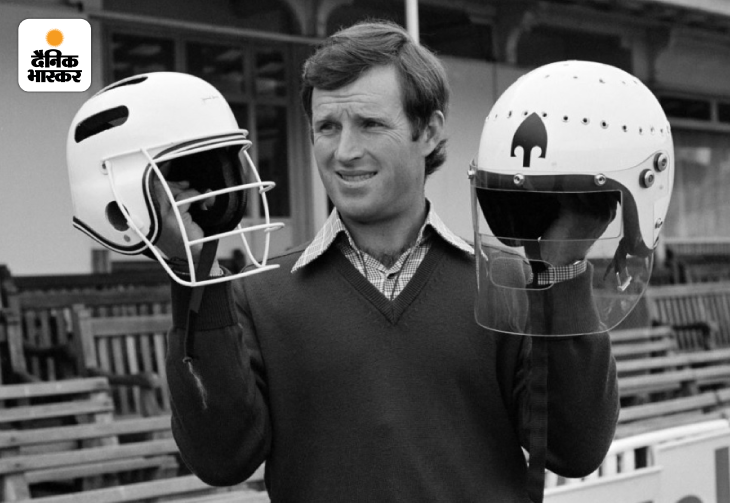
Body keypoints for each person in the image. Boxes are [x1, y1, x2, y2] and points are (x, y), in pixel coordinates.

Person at [156, 21, 619, 503]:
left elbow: (575, 449)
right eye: (327, 127)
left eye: (371, 124)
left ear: (429, 131)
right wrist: (195, 275)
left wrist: (563, 265)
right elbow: (221, 459)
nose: (345, 152)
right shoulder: (256, 294)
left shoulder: (509, 281)